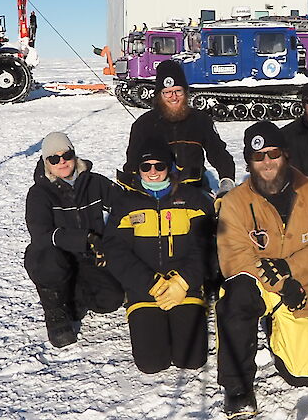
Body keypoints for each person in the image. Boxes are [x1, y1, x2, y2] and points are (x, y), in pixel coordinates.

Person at [215, 121, 308, 417]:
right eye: (258, 157)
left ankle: (278, 324)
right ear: (248, 161)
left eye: (273, 154)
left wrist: (290, 270)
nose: (267, 162)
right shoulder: (234, 201)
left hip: (298, 284)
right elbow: (234, 257)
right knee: (235, 298)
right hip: (258, 282)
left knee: (304, 373)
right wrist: (279, 283)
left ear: (285, 154)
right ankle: (237, 388)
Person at [101, 147, 219, 373]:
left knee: (192, 359)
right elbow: (116, 251)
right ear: (138, 170)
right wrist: (151, 284)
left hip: (186, 287)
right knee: (151, 363)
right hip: (144, 290)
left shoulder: (193, 199)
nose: (153, 172)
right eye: (146, 167)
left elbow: (206, 246)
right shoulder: (125, 204)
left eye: (159, 166)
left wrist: (182, 282)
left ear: (170, 167)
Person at [24, 132, 124, 348]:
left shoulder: (94, 182)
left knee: (110, 300)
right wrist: (85, 239)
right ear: (46, 163)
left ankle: (73, 295)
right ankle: (55, 311)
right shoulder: (40, 193)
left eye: (67, 155)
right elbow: (41, 234)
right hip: (58, 255)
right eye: (54, 159)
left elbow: (123, 207)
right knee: (43, 255)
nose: (62, 162)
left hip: (90, 256)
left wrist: (109, 240)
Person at [125, 59, 238, 193]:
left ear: (186, 93)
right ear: (159, 95)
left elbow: (218, 153)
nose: (174, 97)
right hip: (158, 192)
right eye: (167, 92)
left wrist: (227, 181)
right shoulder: (143, 124)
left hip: (194, 188)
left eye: (178, 91)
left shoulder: (200, 120)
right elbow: (132, 161)